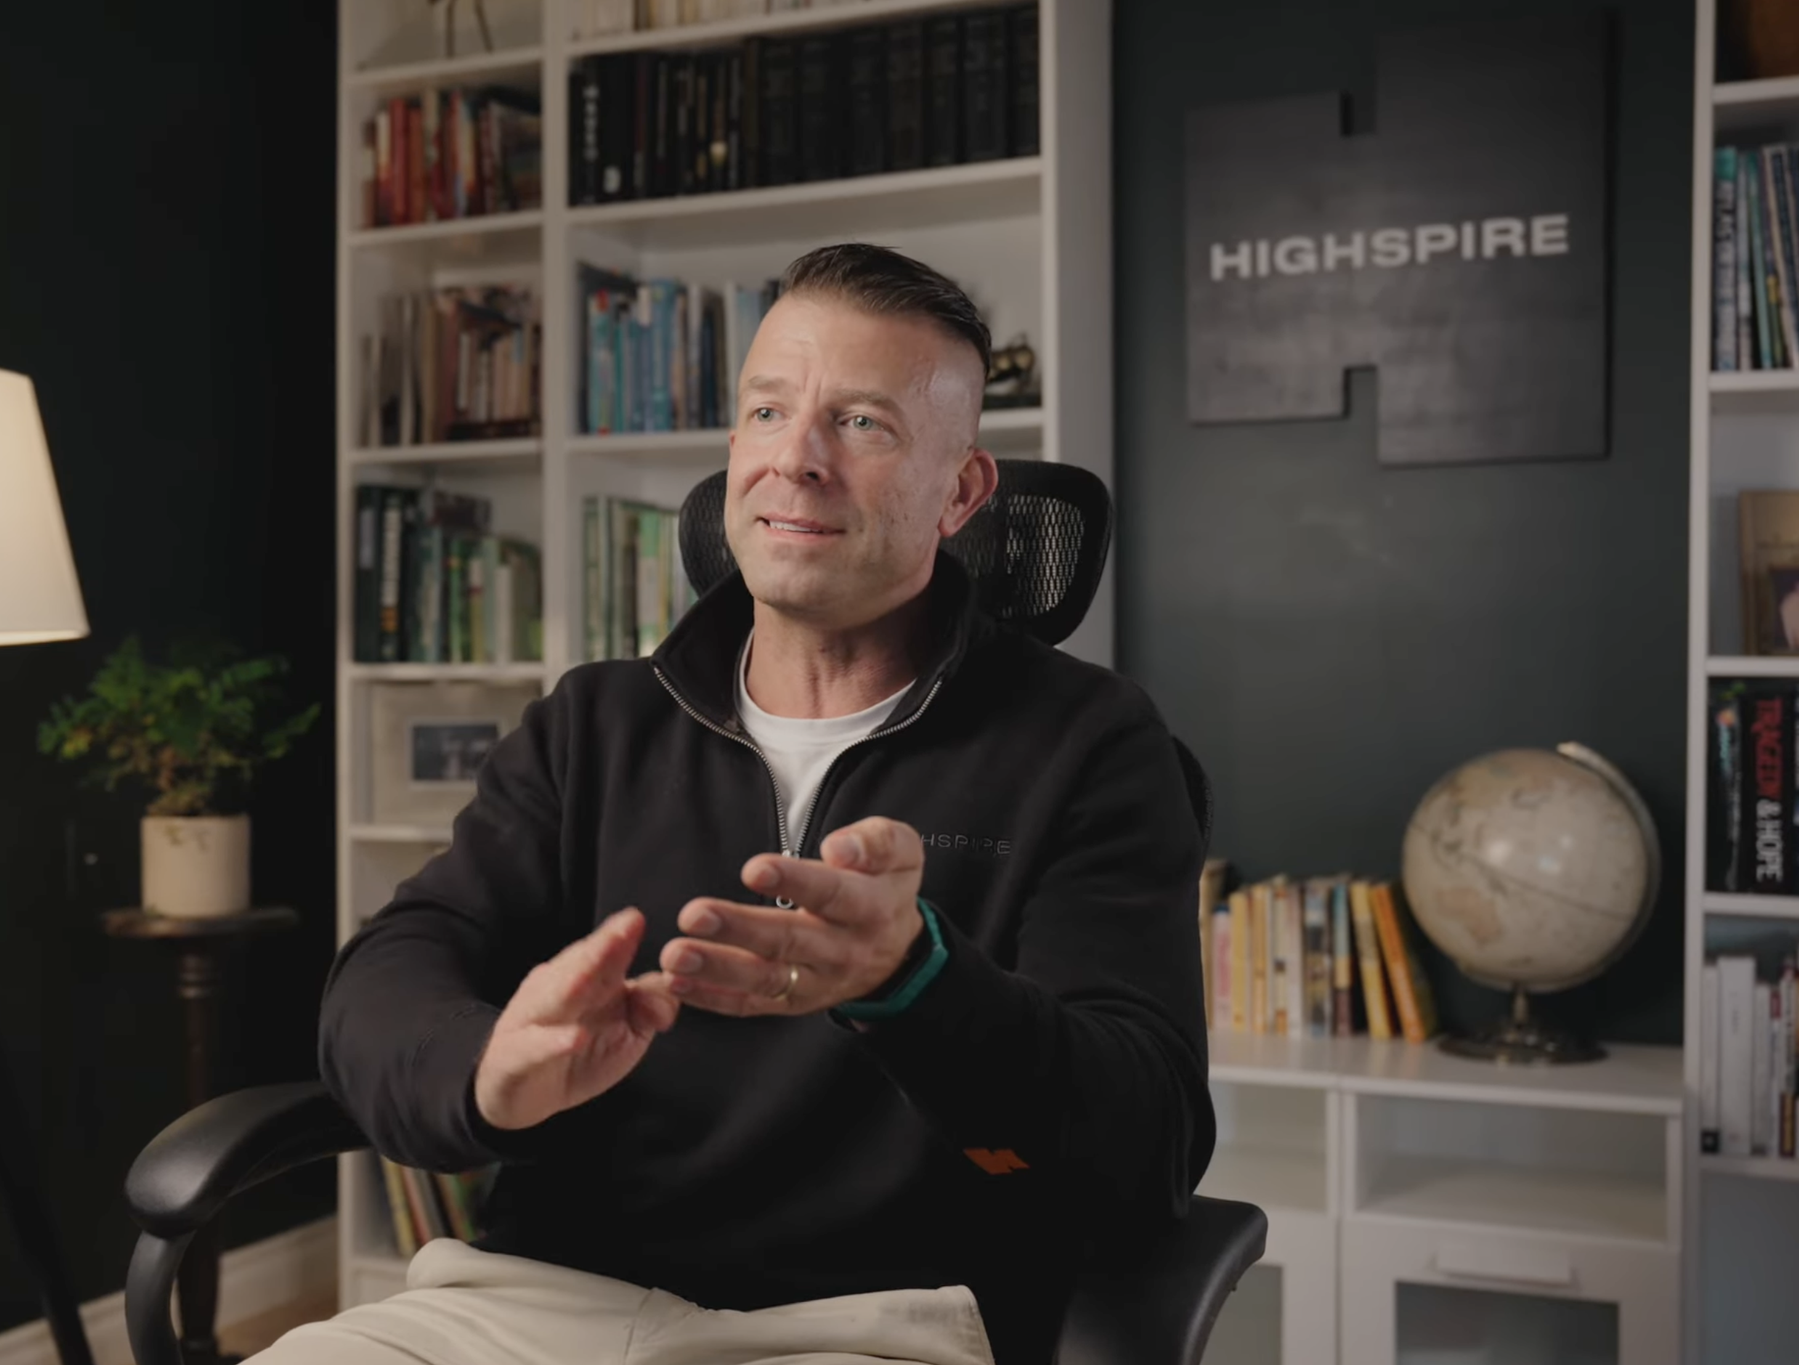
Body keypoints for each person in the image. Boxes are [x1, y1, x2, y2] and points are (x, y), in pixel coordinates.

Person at [274, 244, 1214, 1365]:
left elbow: (1145, 1140)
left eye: (863, 423)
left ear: (961, 492)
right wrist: (487, 1069)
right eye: (769, 411)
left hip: (863, 1329)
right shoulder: (595, 724)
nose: (797, 459)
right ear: (732, 453)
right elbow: (394, 966)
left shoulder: (1090, 744)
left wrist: (917, 985)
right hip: (530, 1305)